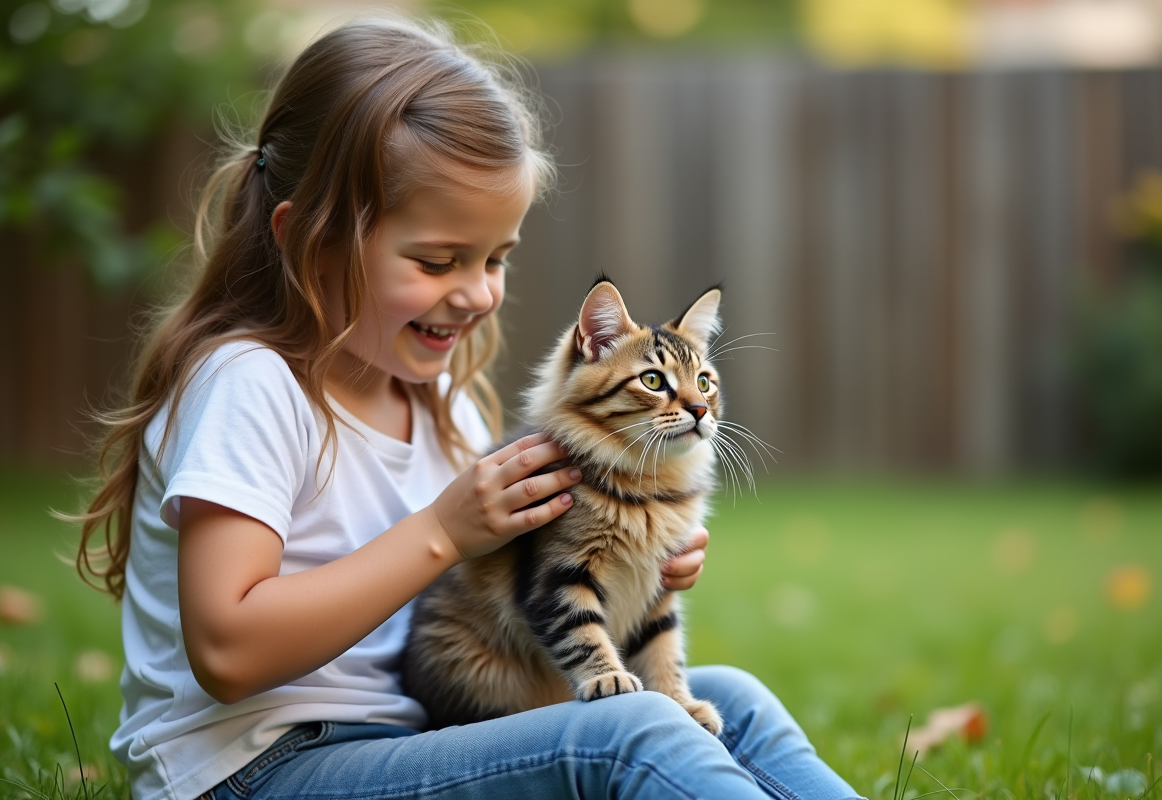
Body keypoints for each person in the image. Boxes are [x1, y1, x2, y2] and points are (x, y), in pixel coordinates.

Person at [74, 17, 861, 800]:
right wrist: (442, 533)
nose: (478, 291)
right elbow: (229, 650)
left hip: (413, 730)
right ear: (307, 240)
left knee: (736, 703)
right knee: (633, 736)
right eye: (437, 260)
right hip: (254, 769)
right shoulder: (250, 383)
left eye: (497, 258)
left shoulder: (443, 403)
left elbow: (532, 600)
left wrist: (639, 572)